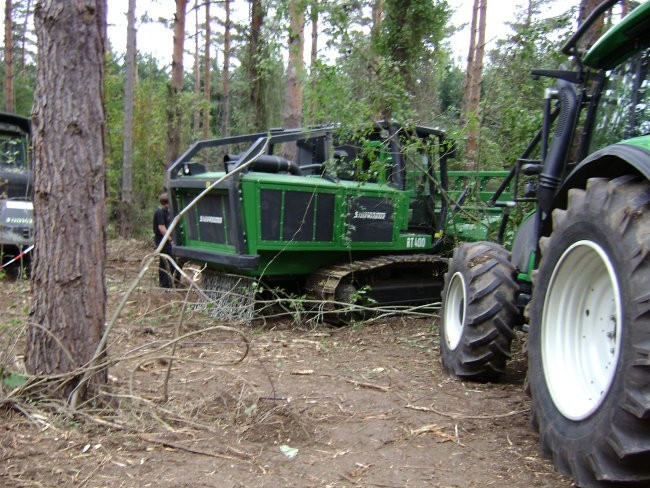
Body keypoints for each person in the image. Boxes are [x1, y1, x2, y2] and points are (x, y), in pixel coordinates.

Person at [153, 192, 177, 288]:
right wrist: (170, 240)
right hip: (162, 240)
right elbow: (161, 228)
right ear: (166, 203)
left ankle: (165, 282)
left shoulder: (167, 211)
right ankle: (166, 284)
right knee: (168, 261)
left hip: (166, 240)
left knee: (165, 261)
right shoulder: (160, 212)